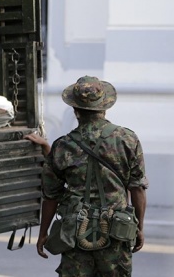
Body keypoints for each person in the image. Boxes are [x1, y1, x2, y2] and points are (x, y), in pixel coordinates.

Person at [34, 76, 148, 276]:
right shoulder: (127, 140)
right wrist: (139, 227)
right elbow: (137, 188)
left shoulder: (63, 146)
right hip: (117, 232)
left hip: (76, 234)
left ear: (75, 110)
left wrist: (43, 233)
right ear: (105, 107)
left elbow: (50, 196)